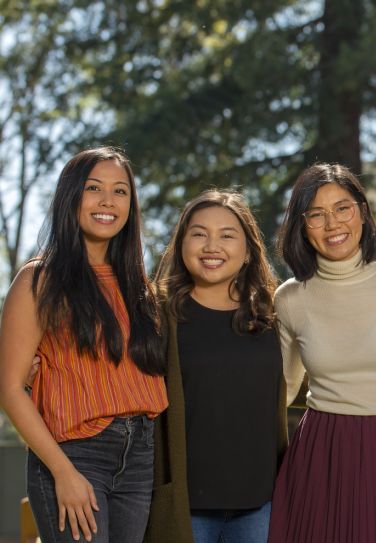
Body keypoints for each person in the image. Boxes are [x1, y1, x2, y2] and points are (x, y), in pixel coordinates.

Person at [0, 147, 168, 543]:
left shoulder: (139, 287)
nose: (108, 201)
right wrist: (62, 472)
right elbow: (9, 388)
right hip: (75, 453)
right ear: (70, 196)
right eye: (94, 188)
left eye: (120, 191)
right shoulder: (38, 281)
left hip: (141, 454)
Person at [267, 163, 376, 543]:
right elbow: (279, 393)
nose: (333, 224)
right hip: (322, 452)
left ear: (362, 212)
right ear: (302, 226)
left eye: (343, 208)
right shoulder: (289, 298)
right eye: (316, 215)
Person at [144, 190, 285, 543]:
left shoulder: (273, 314)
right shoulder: (154, 313)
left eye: (227, 235)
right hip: (184, 506)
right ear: (181, 244)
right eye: (199, 233)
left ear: (248, 249)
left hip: (260, 504)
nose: (212, 246)